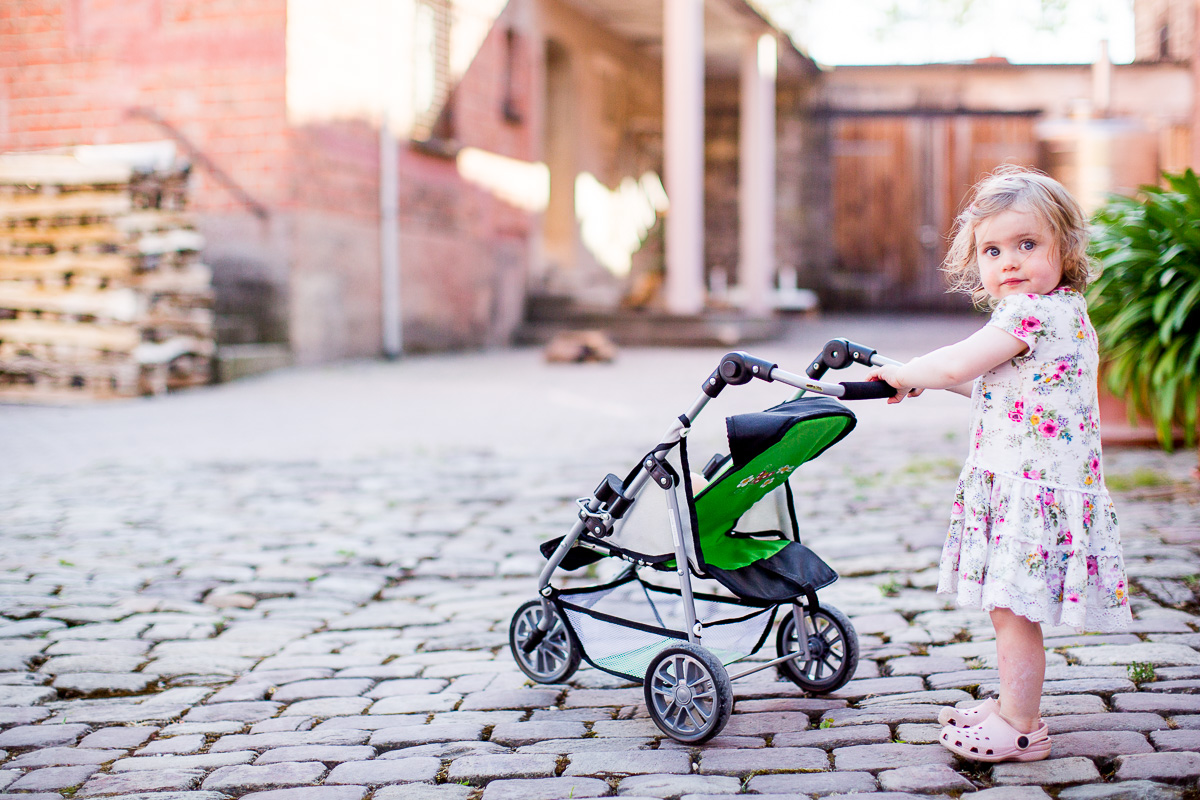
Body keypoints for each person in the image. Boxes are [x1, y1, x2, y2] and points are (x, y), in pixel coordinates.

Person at [866, 165, 1132, 763]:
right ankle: (1011, 702)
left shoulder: (1025, 315)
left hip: (1027, 489)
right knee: (1008, 608)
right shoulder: (1067, 310)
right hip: (1038, 484)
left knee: (1012, 612)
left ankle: (1019, 723)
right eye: (993, 250)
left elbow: (960, 364)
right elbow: (1004, 390)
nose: (1008, 261)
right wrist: (922, 382)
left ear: (1065, 247)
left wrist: (910, 373)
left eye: (1027, 245)